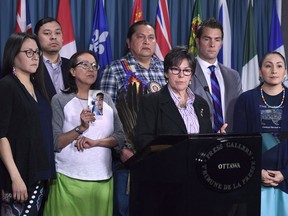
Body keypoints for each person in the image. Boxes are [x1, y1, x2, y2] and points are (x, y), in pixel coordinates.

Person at [43, 51, 125, 216]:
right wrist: (80, 128)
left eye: (94, 65)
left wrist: (96, 142)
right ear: (72, 71)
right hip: (67, 179)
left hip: (101, 179)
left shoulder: (101, 99)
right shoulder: (61, 99)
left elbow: (120, 137)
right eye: (85, 65)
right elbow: (54, 142)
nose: (91, 69)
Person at [100, 20, 167, 216]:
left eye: (151, 37)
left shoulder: (165, 70)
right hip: (127, 158)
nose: (147, 42)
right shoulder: (114, 69)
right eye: (140, 37)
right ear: (129, 42)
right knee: (126, 209)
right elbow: (104, 116)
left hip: (160, 156)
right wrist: (121, 150)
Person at [0, 32, 55, 216]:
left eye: (36, 53)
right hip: (17, 176)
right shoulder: (7, 86)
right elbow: (2, 136)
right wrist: (15, 177)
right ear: (13, 55)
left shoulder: (39, 88)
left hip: (39, 174)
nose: (34, 57)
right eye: (28, 52)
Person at [233, 51, 288, 216]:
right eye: (268, 66)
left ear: (285, 71)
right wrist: (257, 172)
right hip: (254, 179)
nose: (274, 71)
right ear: (259, 71)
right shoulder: (245, 100)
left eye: (279, 66)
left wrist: (285, 174)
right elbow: (239, 143)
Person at [134, 46, 212, 152]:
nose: (181, 75)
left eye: (186, 70)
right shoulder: (151, 101)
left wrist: (217, 139)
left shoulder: (201, 104)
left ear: (191, 75)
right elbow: (143, 142)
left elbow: (206, 140)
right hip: (166, 165)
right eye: (175, 69)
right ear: (166, 73)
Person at [190, 17, 242, 132]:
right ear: (198, 42)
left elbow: (238, 112)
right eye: (207, 39)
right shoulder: (187, 72)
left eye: (217, 39)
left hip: (229, 142)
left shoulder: (233, 76)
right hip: (199, 141)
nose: (212, 44)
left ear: (221, 43)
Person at [34, 17, 69, 100]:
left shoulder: (72, 65)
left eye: (57, 33)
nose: (53, 37)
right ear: (36, 38)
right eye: (47, 33)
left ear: (62, 38)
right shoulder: (31, 66)